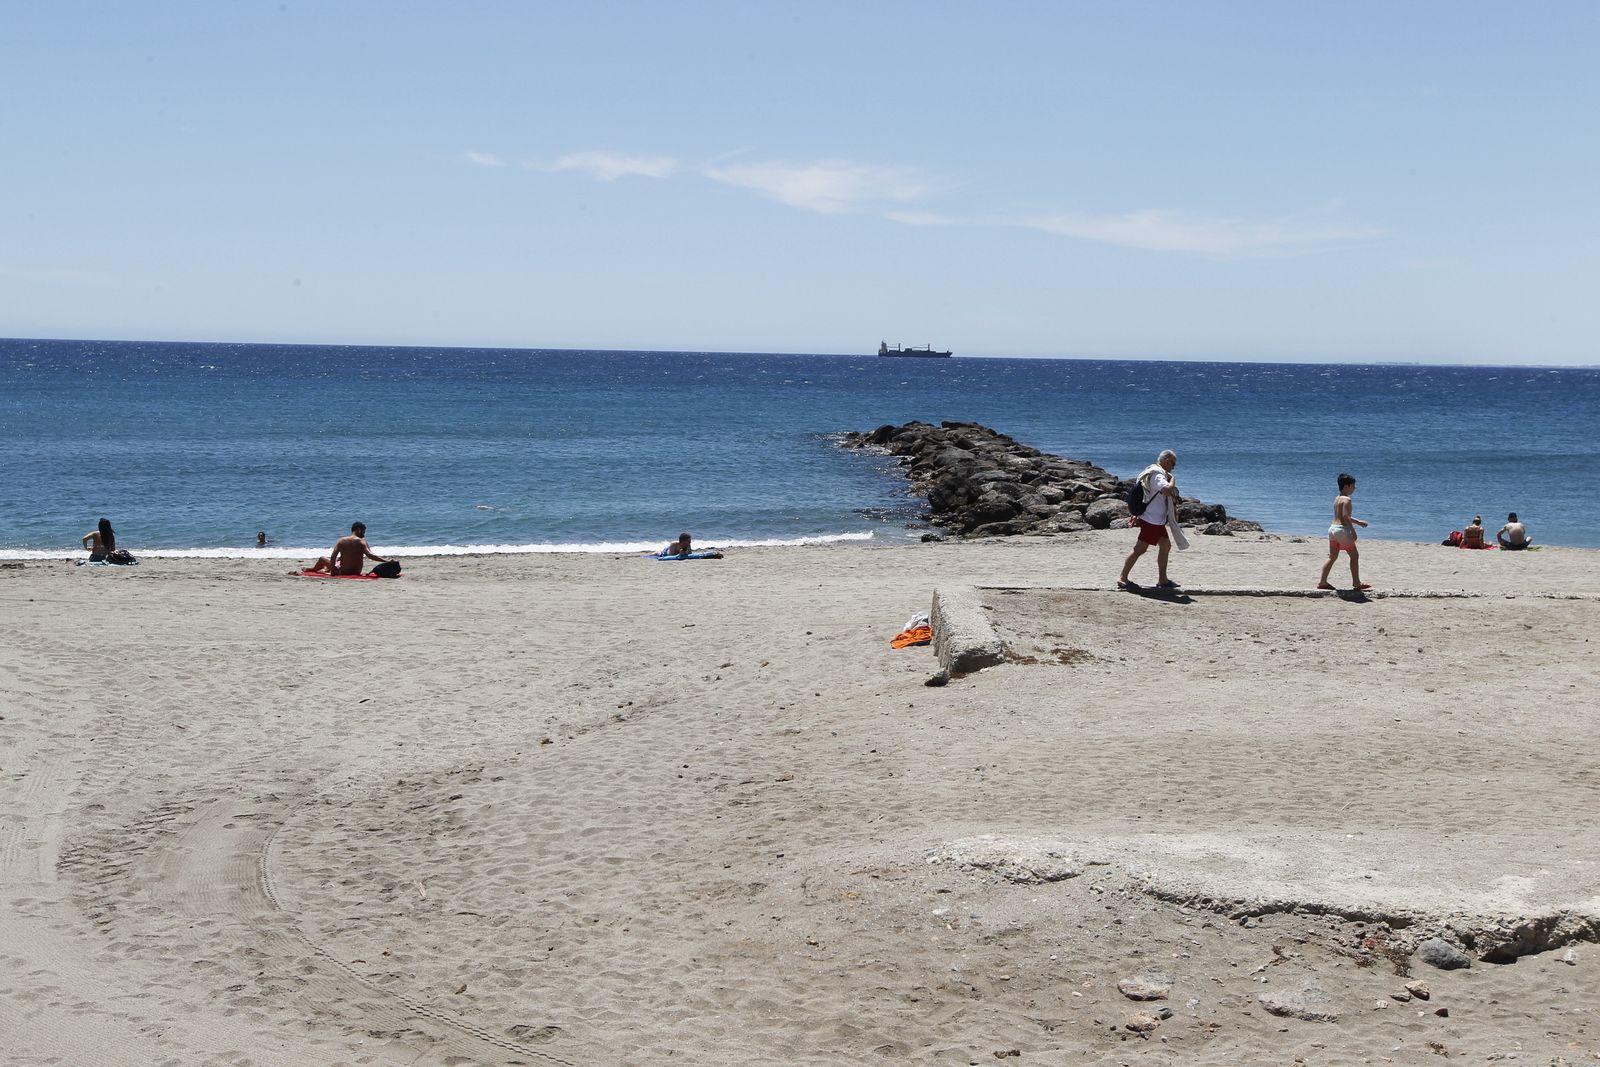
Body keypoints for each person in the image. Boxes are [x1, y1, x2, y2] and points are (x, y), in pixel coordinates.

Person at [1117, 450, 1180, 591]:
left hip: (1152, 518)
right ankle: (1122, 578)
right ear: (1167, 460)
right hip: (1152, 519)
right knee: (1140, 549)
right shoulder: (1158, 474)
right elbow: (1167, 490)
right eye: (1173, 464)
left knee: (1165, 546)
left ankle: (1162, 580)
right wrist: (1173, 479)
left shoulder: (1148, 470)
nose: (1173, 468)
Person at [1318, 473, 1370, 591]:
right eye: (1353, 486)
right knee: (1354, 555)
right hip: (1342, 530)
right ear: (1346, 486)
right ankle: (1356, 582)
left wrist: (1358, 522)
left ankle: (1322, 581)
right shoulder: (1347, 500)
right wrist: (1353, 530)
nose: (1354, 488)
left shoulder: (1337, 499)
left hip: (1332, 529)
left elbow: (1341, 515)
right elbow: (1346, 516)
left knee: (1332, 556)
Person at [304, 522, 392, 576]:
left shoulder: (341, 541)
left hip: (341, 572)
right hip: (356, 572)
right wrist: (386, 561)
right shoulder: (362, 541)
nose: (364, 534)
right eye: (364, 532)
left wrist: (333, 571)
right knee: (338, 560)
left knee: (322, 558)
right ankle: (318, 569)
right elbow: (370, 555)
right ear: (359, 530)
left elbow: (333, 556)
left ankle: (313, 569)